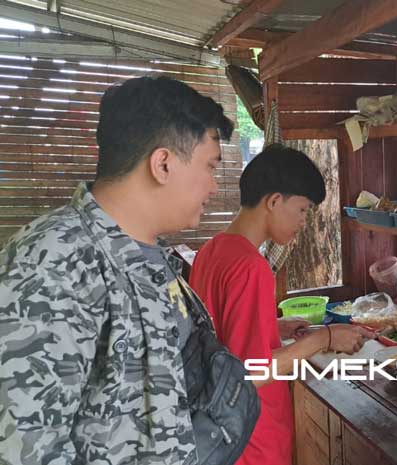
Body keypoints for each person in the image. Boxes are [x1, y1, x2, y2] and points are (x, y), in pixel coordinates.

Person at [0, 75, 243, 464]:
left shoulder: (149, 255)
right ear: (163, 164)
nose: (214, 186)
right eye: (210, 167)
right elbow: (25, 450)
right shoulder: (52, 264)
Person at [189, 144, 373, 465]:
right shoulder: (251, 267)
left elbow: (218, 337)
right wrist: (325, 338)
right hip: (252, 436)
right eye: (302, 209)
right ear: (274, 201)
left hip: (220, 431)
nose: (303, 222)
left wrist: (272, 327)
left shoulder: (211, 250)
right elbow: (250, 373)